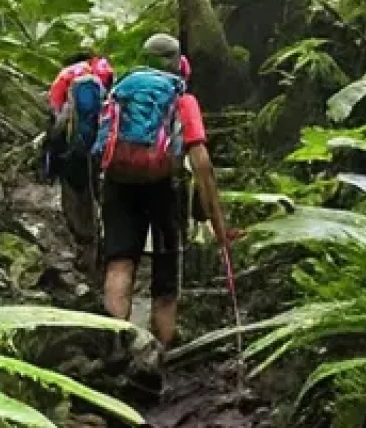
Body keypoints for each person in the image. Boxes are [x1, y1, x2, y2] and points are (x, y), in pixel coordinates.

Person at [96, 33, 231, 349]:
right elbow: (202, 163)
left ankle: (116, 347)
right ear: (179, 63)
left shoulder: (121, 90)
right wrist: (218, 225)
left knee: (120, 264)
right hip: (164, 189)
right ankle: (163, 351)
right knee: (166, 271)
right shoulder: (182, 98)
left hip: (119, 183)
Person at [44, 51, 114, 274]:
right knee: (95, 196)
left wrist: (50, 152)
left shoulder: (69, 82)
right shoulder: (101, 84)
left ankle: (85, 251)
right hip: (100, 152)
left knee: (75, 199)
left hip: (73, 152)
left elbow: (59, 123)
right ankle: (102, 247)